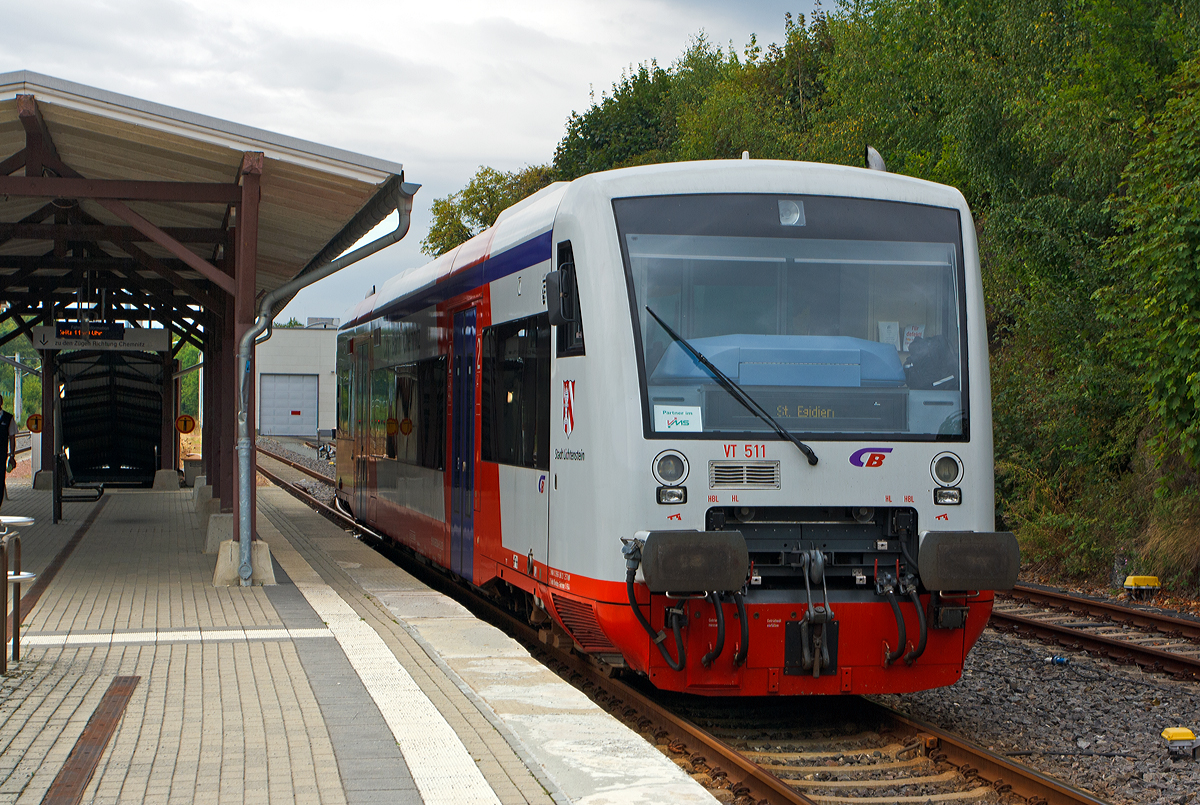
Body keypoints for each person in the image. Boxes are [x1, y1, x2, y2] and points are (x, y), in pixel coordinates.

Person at [0, 395, 15, 509]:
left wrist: (12, 455)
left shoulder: (8, 418)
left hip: (1, 454)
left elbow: (12, 437)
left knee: (0, 479)